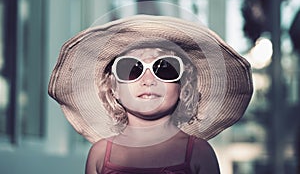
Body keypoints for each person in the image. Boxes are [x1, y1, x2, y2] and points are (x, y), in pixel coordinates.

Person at [48, 15, 253, 174]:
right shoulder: (100, 154)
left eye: (164, 68)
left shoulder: (199, 153)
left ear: (184, 87)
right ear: (114, 88)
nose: (148, 79)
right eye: (132, 69)